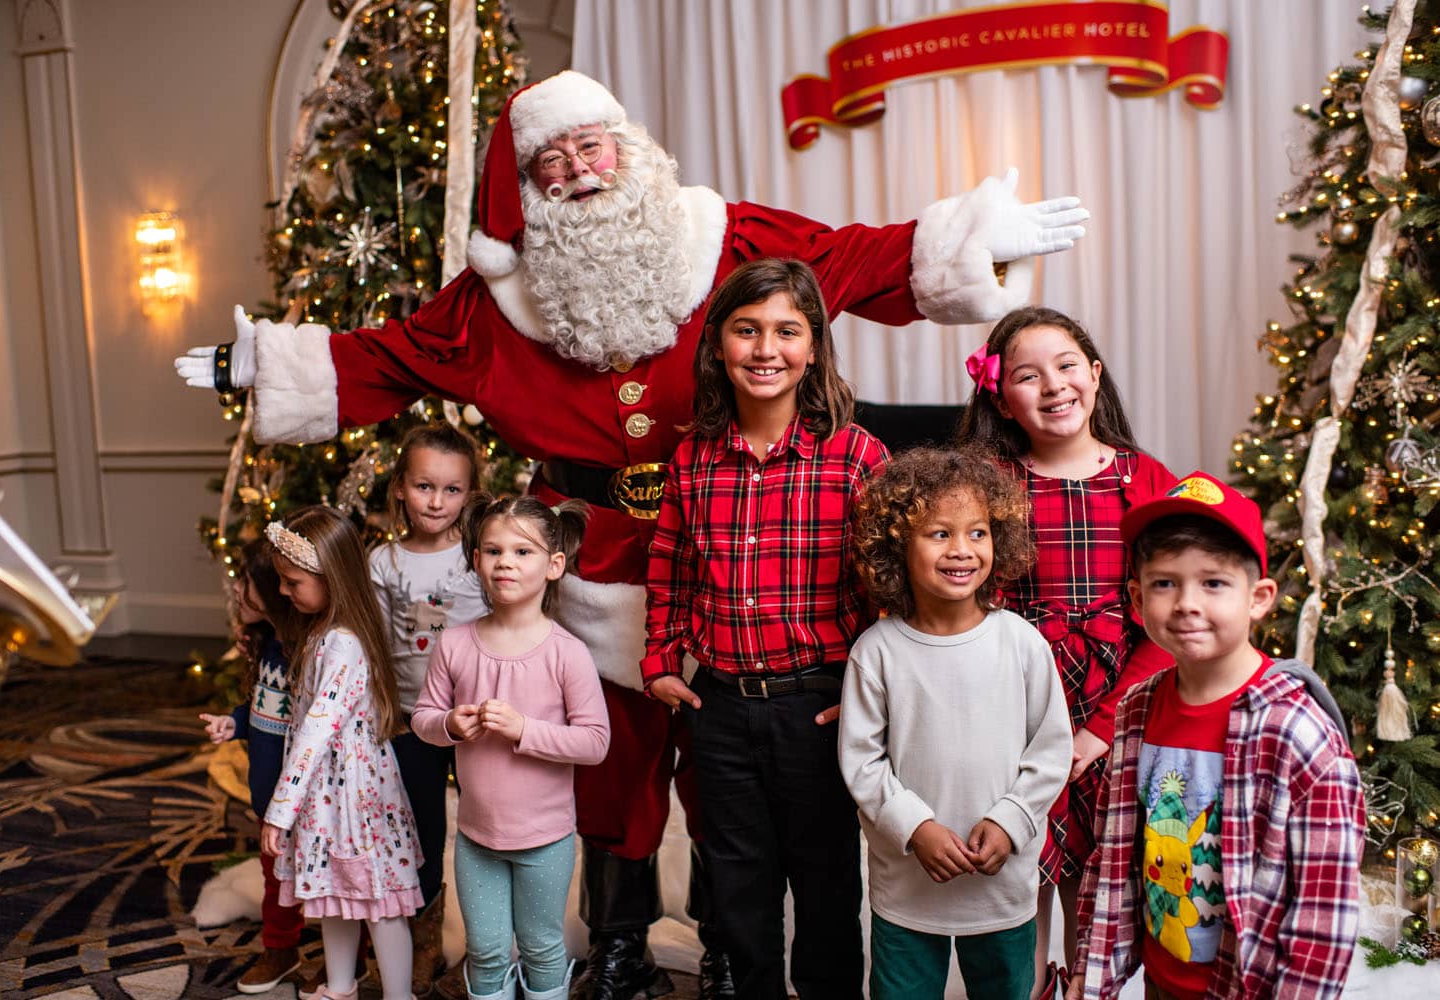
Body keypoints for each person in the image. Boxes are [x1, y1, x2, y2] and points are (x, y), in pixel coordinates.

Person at [175, 68, 1089, 1000]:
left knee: (745, 784)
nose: (578, 172)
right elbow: (396, 354)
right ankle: (619, 938)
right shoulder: (497, 303)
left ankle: (737, 953)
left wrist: (968, 239)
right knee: (612, 763)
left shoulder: (723, 239)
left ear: (629, 147)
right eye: (553, 161)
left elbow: (848, 256)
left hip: (739, 546)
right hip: (587, 554)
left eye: (592, 147)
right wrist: (257, 362)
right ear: (530, 187)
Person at [639, 259, 884, 998]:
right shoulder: (692, 459)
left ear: (814, 348)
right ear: (718, 345)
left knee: (826, 880)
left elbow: (890, 593)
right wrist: (659, 661)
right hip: (720, 706)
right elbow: (672, 568)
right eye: (747, 330)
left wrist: (873, 698)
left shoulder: (855, 456)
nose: (766, 348)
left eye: (787, 331)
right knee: (738, 888)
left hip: (819, 706)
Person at [1066, 472, 1364, 999]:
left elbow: (1324, 917)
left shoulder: (1298, 734)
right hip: (1161, 978)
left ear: (1259, 598)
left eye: (1213, 583)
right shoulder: (1136, 712)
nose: (1186, 602)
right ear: (1137, 599)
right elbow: (1113, 863)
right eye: (1164, 583)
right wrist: (1090, 982)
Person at [953, 305, 1178, 997]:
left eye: (1067, 366)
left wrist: (1099, 731)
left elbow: (1166, 626)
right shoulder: (986, 484)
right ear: (1000, 394)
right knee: (1023, 872)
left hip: (1119, 714)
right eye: (1027, 374)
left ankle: (1085, 987)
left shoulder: (1145, 479)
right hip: (1017, 709)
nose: (1053, 386)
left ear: (1095, 375)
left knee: (1098, 883)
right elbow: (963, 609)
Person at [840, 447, 1071, 1000]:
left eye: (978, 533)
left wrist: (1013, 819)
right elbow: (862, 761)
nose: (962, 550)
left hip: (1001, 883)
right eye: (939, 534)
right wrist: (914, 827)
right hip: (907, 891)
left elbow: (1051, 748)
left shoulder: (1020, 642)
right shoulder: (877, 652)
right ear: (898, 545)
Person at [411, 494, 609, 1000]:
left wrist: (524, 729)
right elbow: (423, 720)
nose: (505, 562)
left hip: (546, 840)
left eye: (523, 552)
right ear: (476, 558)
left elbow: (594, 743)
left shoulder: (568, 653)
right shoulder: (455, 644)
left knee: (542, 947)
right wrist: (451, 724)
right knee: (487, 949)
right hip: (477, 839)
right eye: (493, 550)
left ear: (554, 566)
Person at [260, 507, 423, 1000]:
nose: (284, 592)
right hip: (327, 795)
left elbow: (315, 731)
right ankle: (339, 986)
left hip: (355, 799)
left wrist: (280, 812)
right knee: (332, 895)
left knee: (379, 901)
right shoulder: (319, 632)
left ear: (331, 577)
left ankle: (397, 995)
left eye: (292, 581)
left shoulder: (345, 644)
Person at [368, 422, 490, 996]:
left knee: (488, 826)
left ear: (470, 493)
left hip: (476, 721)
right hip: (410, 720)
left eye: (451, 490)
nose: (436, 502)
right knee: (418, 829)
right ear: (399, 487)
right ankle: (424, 943)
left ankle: (491, 942)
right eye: (423, 487)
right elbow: (370, 640)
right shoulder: (383, 563)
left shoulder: (480, 560)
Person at [200, 539, 310, 995]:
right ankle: (280, 948)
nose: (238, 591)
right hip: (268, 795)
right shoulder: (268, 647)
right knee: (275, 877)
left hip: (306, 799)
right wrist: (236, 721)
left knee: (333, 882)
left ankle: (355, 957)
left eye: (247, 583)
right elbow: (263, 706)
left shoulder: (306, 652)